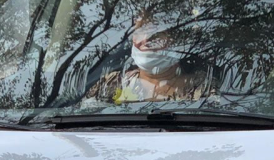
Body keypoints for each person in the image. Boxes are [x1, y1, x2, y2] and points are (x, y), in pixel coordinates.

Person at [85, 16, 215, 105]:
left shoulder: (204, 87)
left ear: (176, 43)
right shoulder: (110, 84)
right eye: (140, 32)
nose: (145, 40)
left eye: (156, 34)